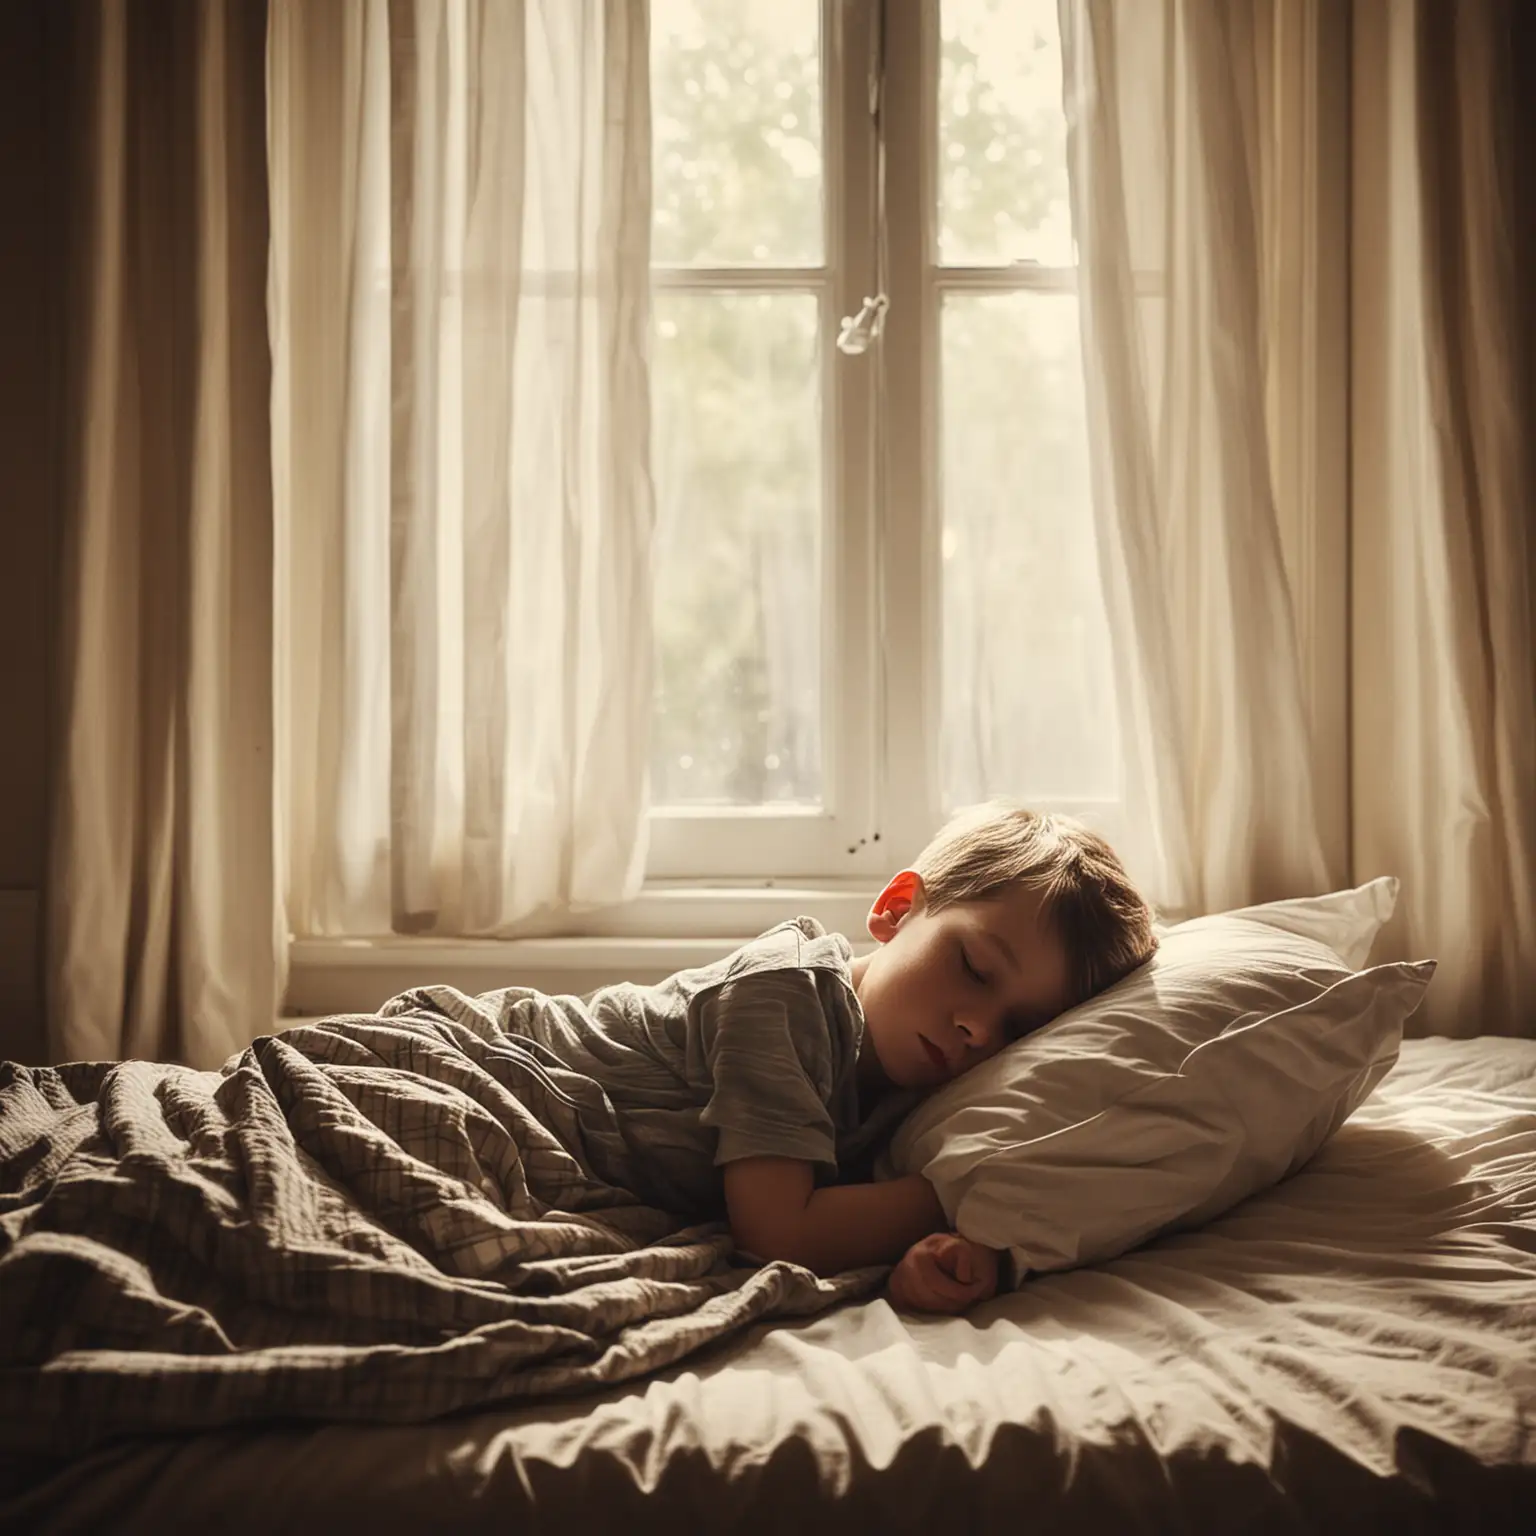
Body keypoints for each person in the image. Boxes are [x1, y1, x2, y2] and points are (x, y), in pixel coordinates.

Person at [405, 802, 1157, 1314]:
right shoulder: (788, 993)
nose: (977, 1030)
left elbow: (847, 1215)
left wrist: (945, 1254)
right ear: (898, 909)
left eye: (1016, 1027)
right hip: (483, 1063)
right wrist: (980, 1195)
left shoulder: (919, 1088)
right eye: (975, 969)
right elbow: (780, 1232)